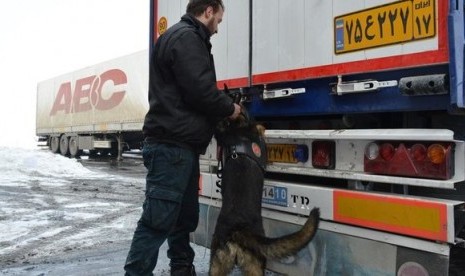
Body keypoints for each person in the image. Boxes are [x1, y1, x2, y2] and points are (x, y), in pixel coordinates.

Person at [124, 0, 241, 275]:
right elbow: (199, 91)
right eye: (219, 21)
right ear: (208, 11)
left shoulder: (185, 37)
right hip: (170, 148)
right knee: (158, 219)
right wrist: (230, 108)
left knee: (182, 217)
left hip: (181, 147)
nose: (218, 28)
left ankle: (182, 269)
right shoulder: (187, 38)